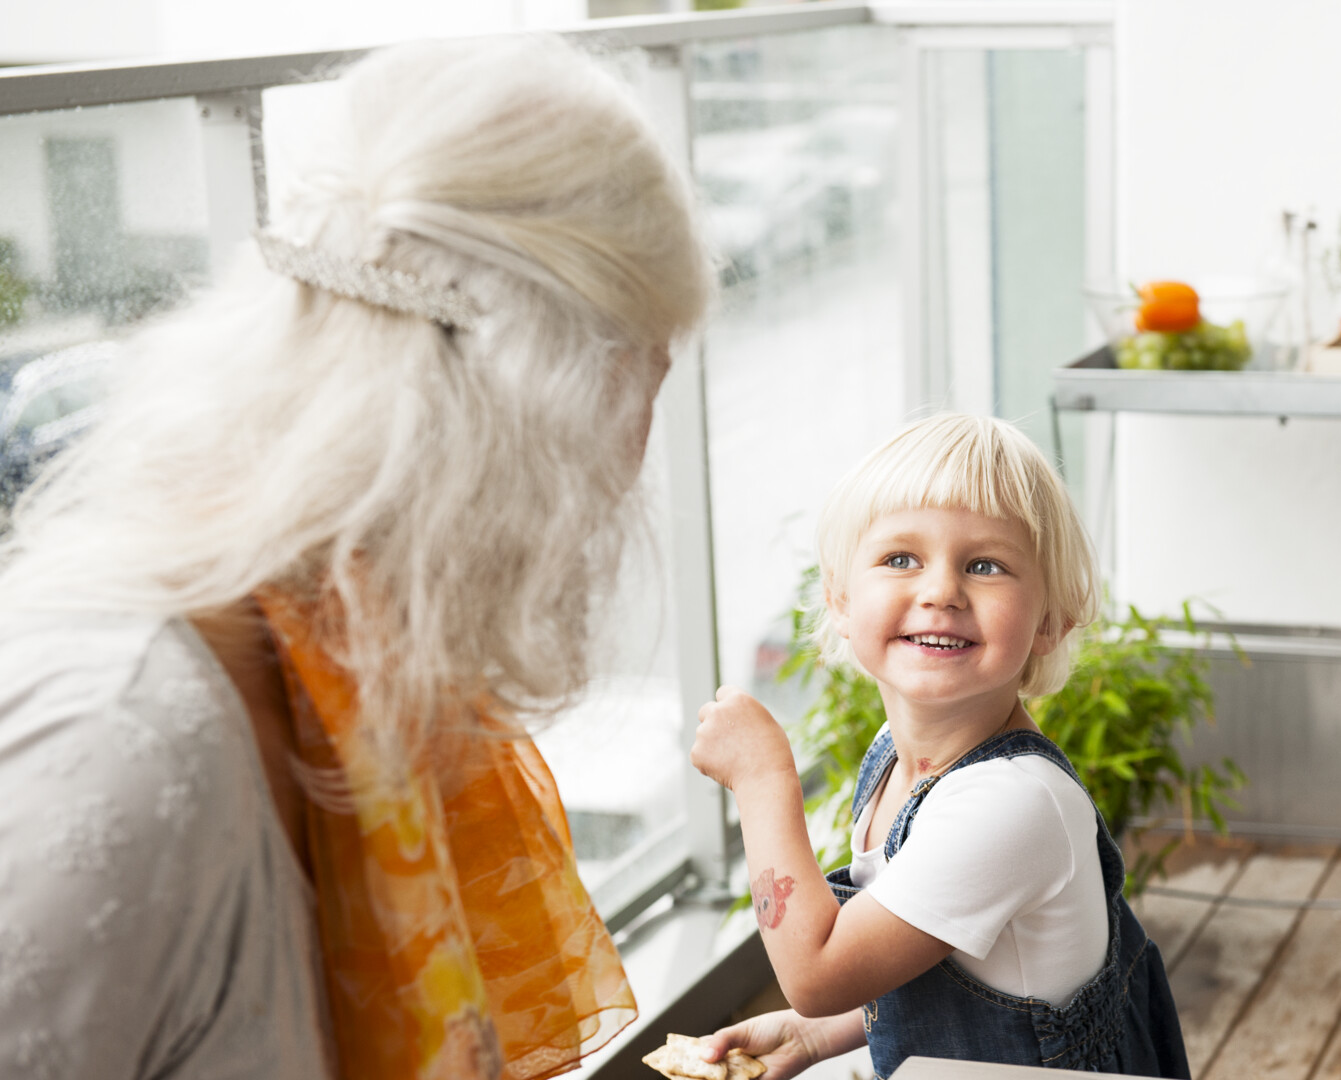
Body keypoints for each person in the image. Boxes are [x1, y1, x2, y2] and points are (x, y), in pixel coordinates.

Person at [0, 34, 710, 1080]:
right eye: (644, 383)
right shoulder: (120, 735)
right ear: (545, 411)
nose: (631, 473)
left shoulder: (357, 666)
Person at [685, 414, 1190, 1079]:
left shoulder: (1012, 803)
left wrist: (761, 780)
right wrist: (816, 1037)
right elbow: (929, 949)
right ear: (838, 600)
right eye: (900, 559)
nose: (940, 591)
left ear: (1049, 622)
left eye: (985, 565)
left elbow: (816, 974)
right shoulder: (896, 754)